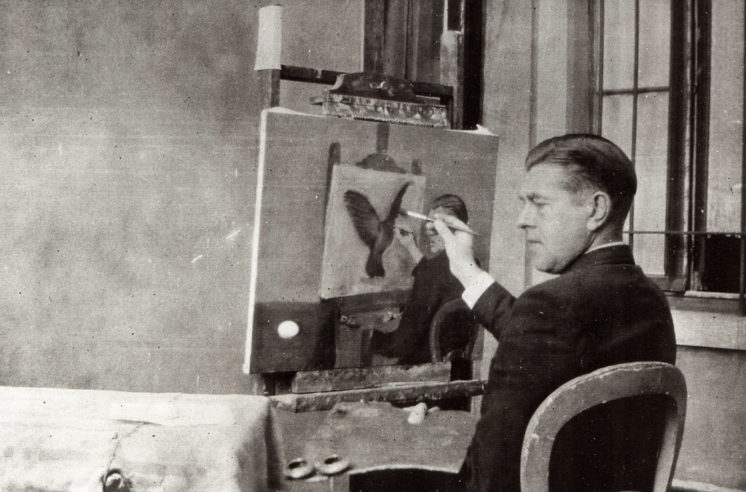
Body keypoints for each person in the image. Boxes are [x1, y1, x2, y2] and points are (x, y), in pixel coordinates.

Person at [432, 134, 677, 491]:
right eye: (523, 203)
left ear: (596, 210)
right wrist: (465, 269)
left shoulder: (551, 306)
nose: (522, 220)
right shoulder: (649, 298)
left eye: (539, 203)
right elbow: (544, 340)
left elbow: (492, 469)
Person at [369, 194, 475, 366]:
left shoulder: (431, 272)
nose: (428, 232)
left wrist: (372, 337)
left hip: (426, 369)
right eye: (428, 223)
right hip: (457, 366)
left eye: (437, 226)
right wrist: (411, 246)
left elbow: (402, 343)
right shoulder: (471, 265)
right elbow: (439, 276)